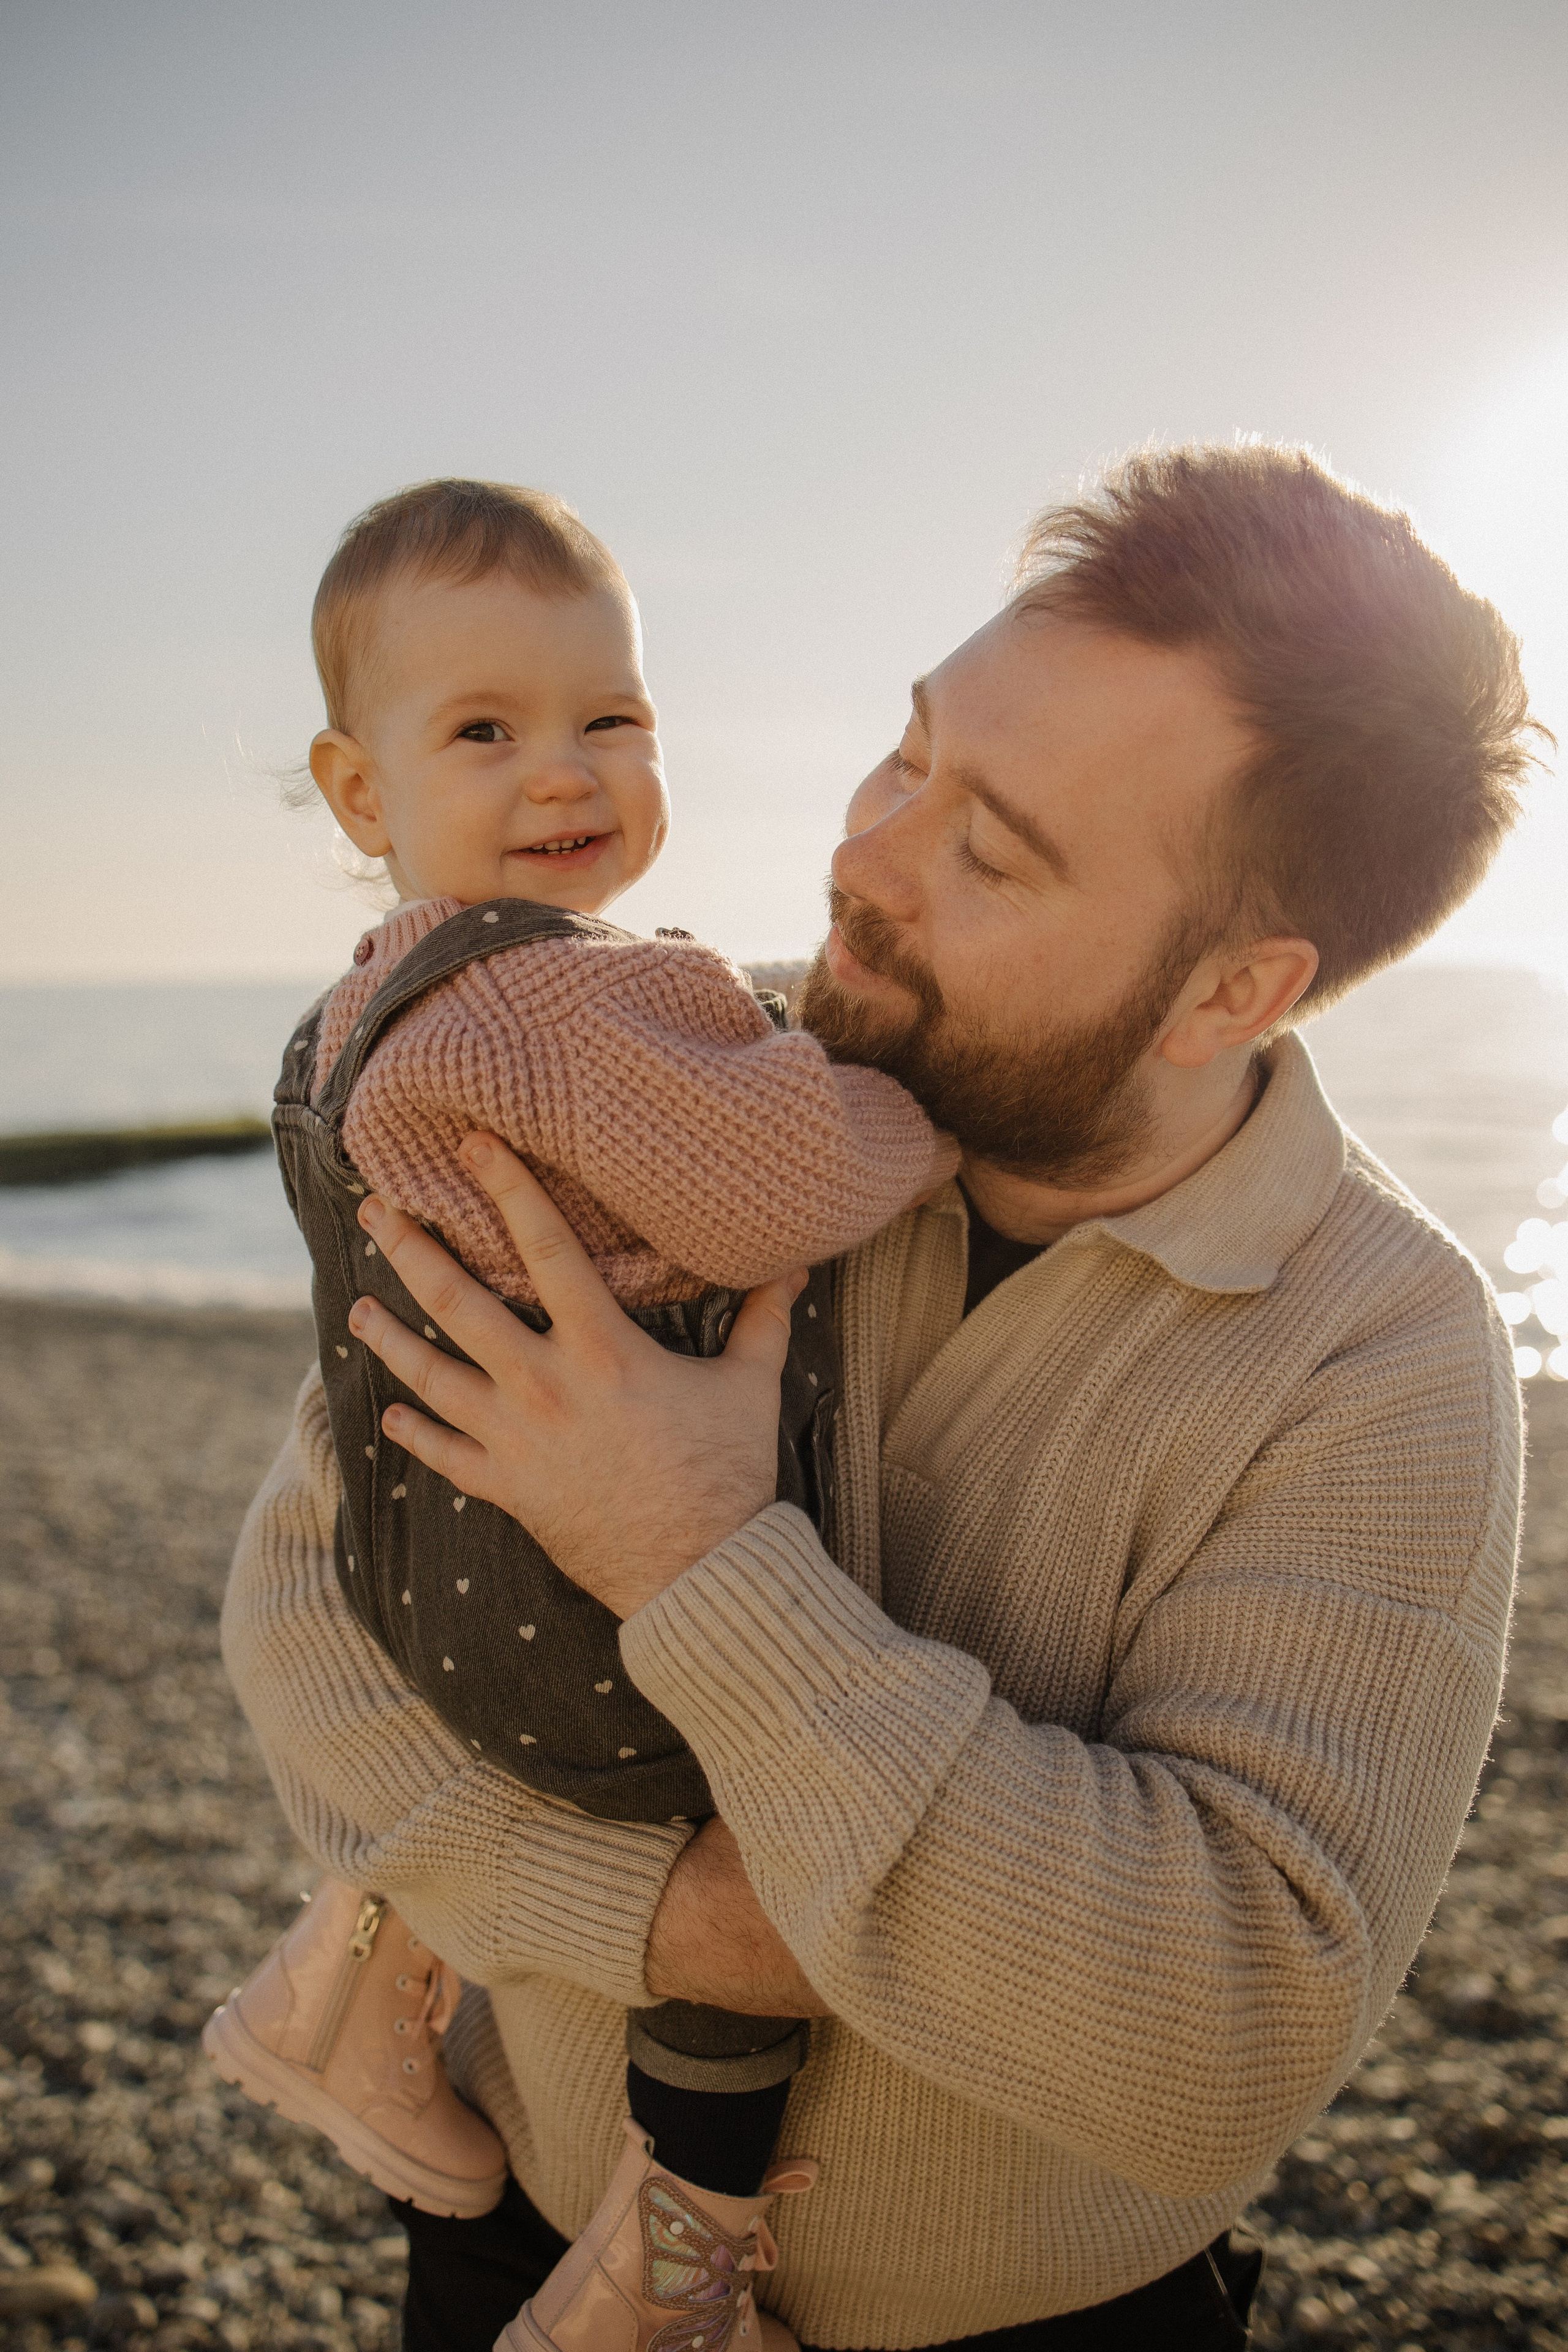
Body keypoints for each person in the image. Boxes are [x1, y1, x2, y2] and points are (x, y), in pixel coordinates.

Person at [223, 443, 1540, 2350]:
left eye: (989, 848)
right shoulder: (694, 1074)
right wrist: (671, 1921)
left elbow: (1213, 2035)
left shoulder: (1380, 1349)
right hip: (516, 2251)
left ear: (1230, 995)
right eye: (907, 751)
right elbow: (304, 1614)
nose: (865, 857)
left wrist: (694, 1550)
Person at [204, 478, 952, 2350]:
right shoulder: (549, 1004)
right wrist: (922, 1110)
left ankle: (351, 1994)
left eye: (611, 718)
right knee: (771, 1823)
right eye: (487, 732)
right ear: (361, 793)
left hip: (429, 1569)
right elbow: (769, 1179)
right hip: (584, 1603)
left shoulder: (362, 1009)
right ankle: (672, 2264)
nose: (568, 772)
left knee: (523, 1781)